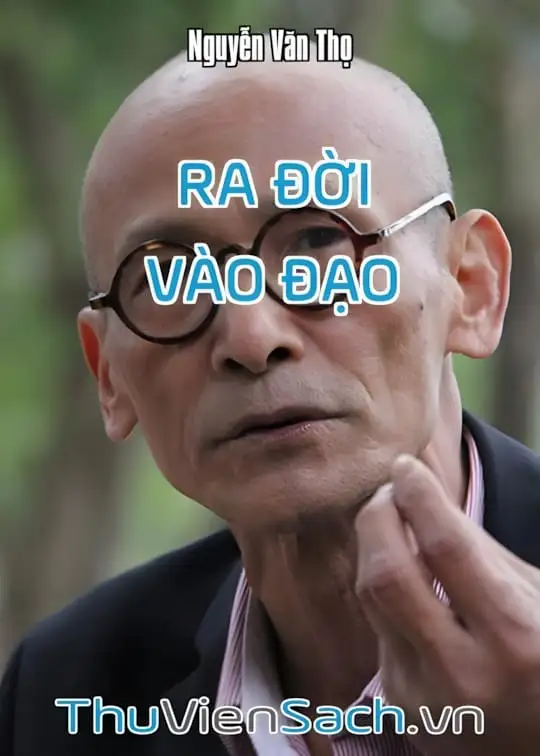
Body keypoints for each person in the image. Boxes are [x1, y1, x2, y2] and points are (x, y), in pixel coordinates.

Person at [1, 42, 540, 756]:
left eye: (317, 241)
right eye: (168, 277)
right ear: (109, 377)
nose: (251, 338)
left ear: (471, 286)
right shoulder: (68, 690)